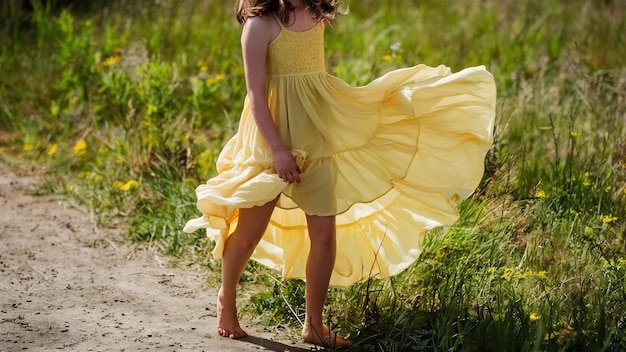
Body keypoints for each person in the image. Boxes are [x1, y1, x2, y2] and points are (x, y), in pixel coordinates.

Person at [184, 0, 496, 349]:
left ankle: (313, 325)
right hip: (271, 139)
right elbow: (256, 97)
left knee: (325, 236)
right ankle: (227, 299)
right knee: (248, 233)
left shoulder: (315, 15)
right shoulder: (259, 26)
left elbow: (311, 80)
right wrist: (278, 151)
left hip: (319, 133)